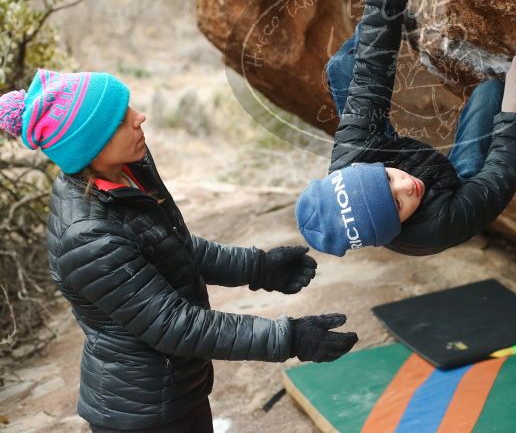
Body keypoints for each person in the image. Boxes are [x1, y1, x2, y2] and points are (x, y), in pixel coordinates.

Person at [0, 69, 358, 432]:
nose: (140, 118)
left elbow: (175, 247)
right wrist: (290, 337)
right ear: (91, 144)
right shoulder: (88, 238)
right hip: (142, 413)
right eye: (122, 119)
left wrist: (259, 267)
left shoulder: (126, 168)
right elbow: (174, 324)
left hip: (174, 389)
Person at [295, 0, 516, 257]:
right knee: (491, 94)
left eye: (388, 179)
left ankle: (393, 11)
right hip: (454, 185)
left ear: (366, 168)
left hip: (387, 146)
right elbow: (499, 179)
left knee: (343, 67)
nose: (406, 185)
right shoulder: (439, 226)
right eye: (397, 203)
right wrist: (512, 110)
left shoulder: (354, 157)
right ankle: (495, 98)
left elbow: (370, 73)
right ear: (396, 226)